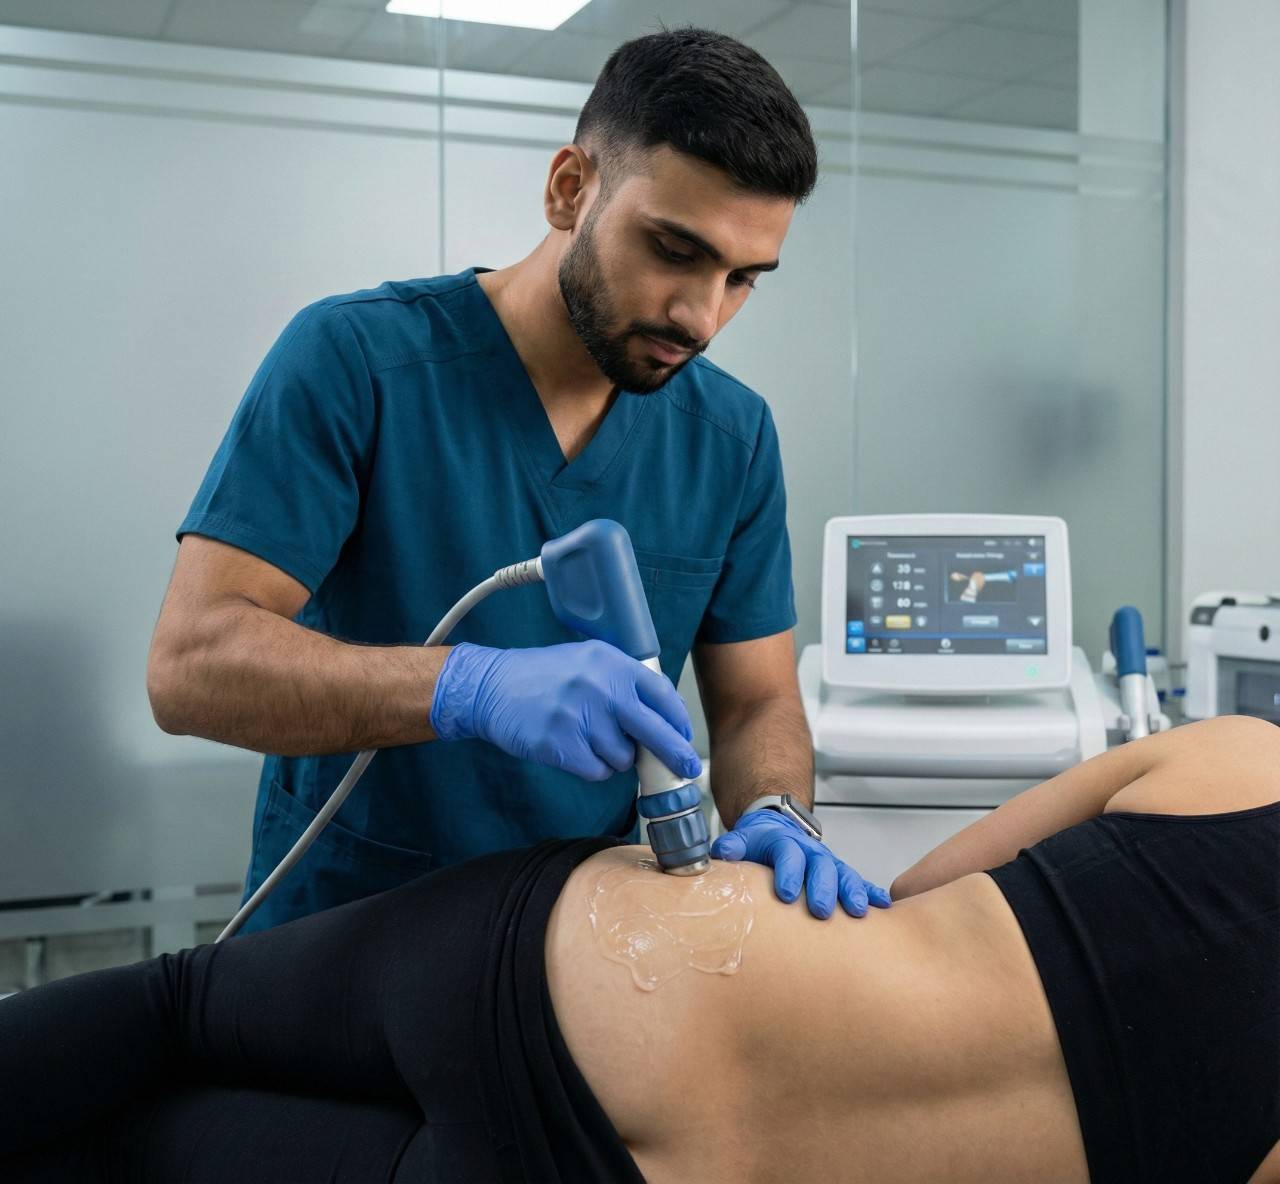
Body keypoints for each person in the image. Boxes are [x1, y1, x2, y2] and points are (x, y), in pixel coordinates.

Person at [144, 27, 884, 932]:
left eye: (743, 279)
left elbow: (757, 700)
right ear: (570, 189)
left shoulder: (729, 436)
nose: (702, 315)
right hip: (341, 935)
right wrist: (469, 688)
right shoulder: (359, 361)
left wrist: (776, 808)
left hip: (574, 943)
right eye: (675, 251)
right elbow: (190, 667)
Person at [2, 716, 1276, 1182]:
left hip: (600, 975)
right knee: (128, 1153)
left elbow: (929, 880)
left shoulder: (1239, 762)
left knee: (169, 1013)